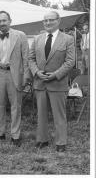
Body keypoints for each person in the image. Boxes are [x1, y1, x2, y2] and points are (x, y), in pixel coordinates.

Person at [28, 11, 75, 152]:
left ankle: (61, 142)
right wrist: (36, 72)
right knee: (41, 114)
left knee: (59, 115)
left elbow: (70, 61)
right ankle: (42, 140)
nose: (48, 23)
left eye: (51, 20)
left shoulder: (68, 39)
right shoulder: (37, 39)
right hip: (40, 83)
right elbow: (30, 59)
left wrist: (55, 74)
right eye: (45, 20)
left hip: (58, 83)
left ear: (58, 21)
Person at [0, 11, 30, 146]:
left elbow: (26, 58)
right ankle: (0, 134)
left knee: (16, 106)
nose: (2, 23)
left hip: (15, 75)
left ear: (10, 21)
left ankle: (15, 135)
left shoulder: (21, 35)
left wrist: (26, 76)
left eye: (4, 20)